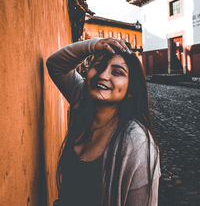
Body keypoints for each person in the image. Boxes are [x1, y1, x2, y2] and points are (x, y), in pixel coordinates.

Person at [46, 37, 161, 206]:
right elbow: (55, 65)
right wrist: (93, 45)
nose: (103, 75)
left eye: (117, 72)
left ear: (130, 90)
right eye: (98, 67)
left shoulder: (137, 143)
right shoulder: (83, 100)